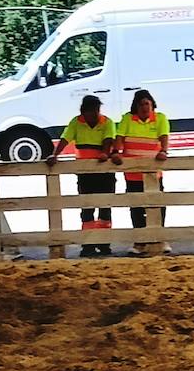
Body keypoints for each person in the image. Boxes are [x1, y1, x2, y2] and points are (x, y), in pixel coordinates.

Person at [45, 94, 118, 257]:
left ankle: (104, 243)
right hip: (84, 173)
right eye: (92, 111)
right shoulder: (76, 123)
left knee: (105, 208)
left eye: (97, 110)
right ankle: (88, 244)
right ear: (84, 112)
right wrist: (54, 155)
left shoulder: (107, 122)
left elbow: (109, 140)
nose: (96, 114)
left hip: (104, 172)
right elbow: (65, 139)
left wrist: (105, 153)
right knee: (86, 208)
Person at [115, 89, 170, 256]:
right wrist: (117, 151)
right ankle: (140, 241)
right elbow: (120, 137)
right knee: (136, 206)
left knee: (158, 205)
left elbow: (164, 137)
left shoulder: (160, 118)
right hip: (132, 172)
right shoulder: (127, 118)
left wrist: (164, 151)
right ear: (136, 106)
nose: (145, 107)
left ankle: (160, 238)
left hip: (154, 172)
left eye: (147, 104)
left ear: (152, 104)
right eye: (141, 104)